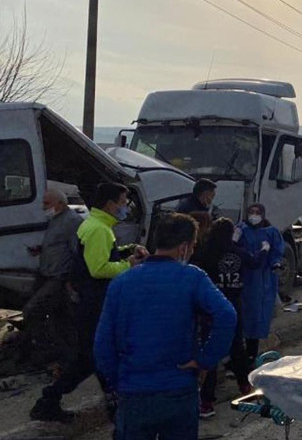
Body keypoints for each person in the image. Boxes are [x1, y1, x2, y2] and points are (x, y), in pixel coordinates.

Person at [94, 213, 236, 440]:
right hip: (179, 388)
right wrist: (205, 360)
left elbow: (102, 345)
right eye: (192, 246)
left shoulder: (121, 282)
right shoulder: (192, 278)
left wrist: (119, 380)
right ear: (184, 247)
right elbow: (227, 315)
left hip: (133, 392)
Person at [31, 183, 148, 423]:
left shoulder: (98, 225)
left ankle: (52, 401)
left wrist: (128, 250)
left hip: (93, 301)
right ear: (110, 204)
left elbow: (101, 255)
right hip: (94, 303)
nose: (125, 207)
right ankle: (53, 400)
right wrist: (130, 265)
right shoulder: (99, 229)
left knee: (93, 357)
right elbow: (98, 268)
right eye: (123, 202)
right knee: (96, 357)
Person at [198, 218, 253, 418]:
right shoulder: (238, 252)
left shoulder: (205, 254)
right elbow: (253, 261)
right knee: (237, 347)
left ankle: (206, 402)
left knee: (209, 351)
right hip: (233, 307)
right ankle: (245, 386)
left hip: (210, 307)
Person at [23, 189, 83, 366]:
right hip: (47, 273)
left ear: (60, 204)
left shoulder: (72, 222)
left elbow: (76, 252)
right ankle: (65, 354)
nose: (43, 207)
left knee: (32, 310)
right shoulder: (55, 219)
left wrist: (71, 280)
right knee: (60, 317)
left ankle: (46, 350)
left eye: (47, 204)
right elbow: (57, 245)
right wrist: (41, 250)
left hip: (59, 277)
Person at [236, 204, 285, 364]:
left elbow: (277, 252)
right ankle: (239, 356)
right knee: (240, 315)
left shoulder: (270, 232)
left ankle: (251, 355)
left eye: (258, 213)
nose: (254, 216)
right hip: (243, 277)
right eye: (251, 212)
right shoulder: (241, 229)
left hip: (261, 280)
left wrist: (276, 263)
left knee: (257, 316)